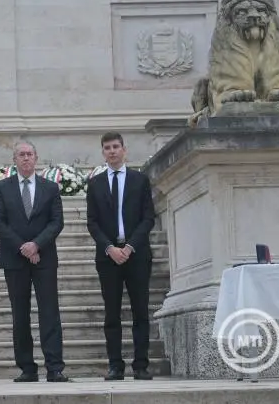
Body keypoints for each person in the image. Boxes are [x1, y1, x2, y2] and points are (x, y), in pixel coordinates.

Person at [0, 140, 68, 383]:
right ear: (14, 160)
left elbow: (56, 222)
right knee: (20, 315)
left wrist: (36, 244)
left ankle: (54, 367)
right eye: (21, 155)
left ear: (36, 158)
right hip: (14, 259)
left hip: (44, 258)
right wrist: (23, 247)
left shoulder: (50, 188)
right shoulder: (2, 188)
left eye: (29, 154)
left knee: (49, 313)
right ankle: (27, 368)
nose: (26, 158)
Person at [86, 132, 156, 381]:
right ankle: (115, 365)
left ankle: (140, 365)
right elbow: (92, 222)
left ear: (124, 150)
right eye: (107, 147)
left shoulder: (140, 180)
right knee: (111, 313)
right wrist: (110, 248)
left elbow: (149, 217)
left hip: (136, 255)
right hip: (108, 257)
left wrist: (130, 247)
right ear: (103, 152)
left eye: (116, 146)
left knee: (140, 312)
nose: (112, 151)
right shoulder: (95, 184)